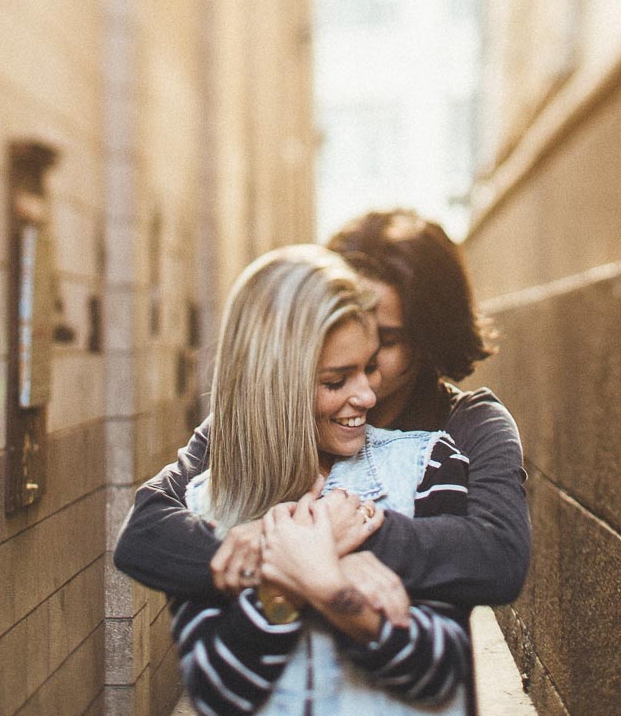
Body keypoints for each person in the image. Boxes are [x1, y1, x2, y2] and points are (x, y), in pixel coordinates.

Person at [160, 246, 494, 716]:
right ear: (275, 380)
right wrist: (290, 578)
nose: (367, 394)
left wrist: (326, 582)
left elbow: (438, 669)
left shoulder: (430, 466)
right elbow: (219, 696)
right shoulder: (203, 508)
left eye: (369, 368)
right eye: (336, 380)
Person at [114, 209, 528, 624]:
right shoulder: (273, 421)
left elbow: (498, 557)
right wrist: (280, 553)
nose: (361, 349)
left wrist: (326, 539)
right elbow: (145, 533)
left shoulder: (472, 424)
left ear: (428, 337)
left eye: (385, 338)